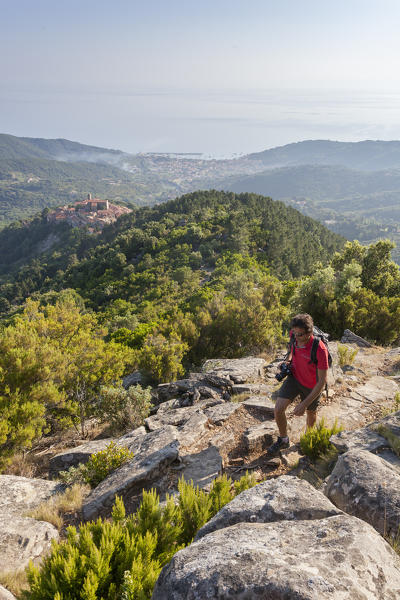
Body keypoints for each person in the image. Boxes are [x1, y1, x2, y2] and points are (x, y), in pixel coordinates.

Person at [266, 313, 329, 456]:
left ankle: (307, 438)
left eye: (300, 335)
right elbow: (291, 350)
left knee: (311, 413)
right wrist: (287, 361)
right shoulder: (295, 335)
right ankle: (283, 439)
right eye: (294, 333)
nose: (296, 337)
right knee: (278, 408)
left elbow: (322, 381)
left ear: (309, 333)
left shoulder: (320, 349)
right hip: (295, 378)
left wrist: (304, 404)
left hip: (313, 386)